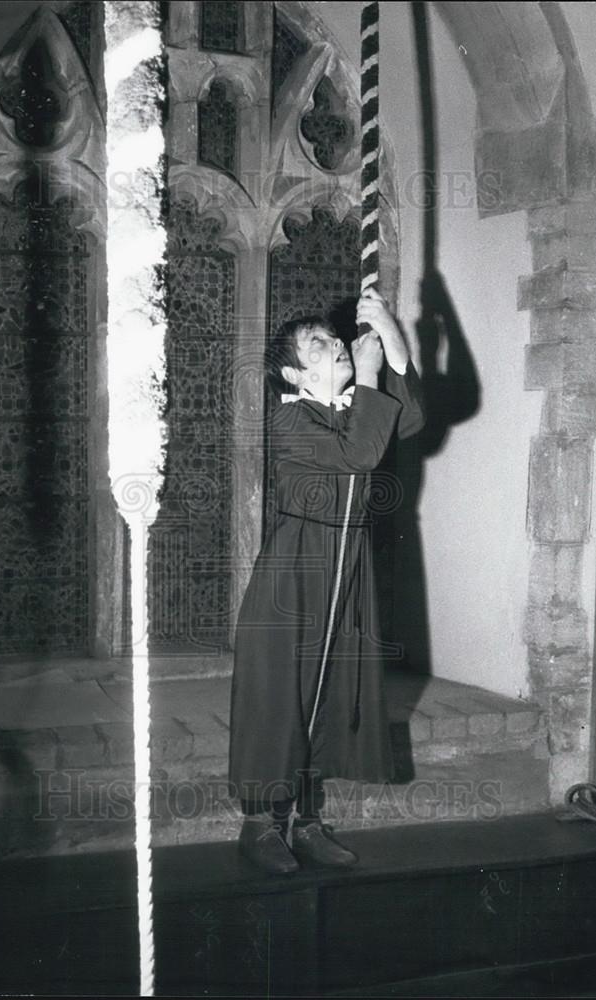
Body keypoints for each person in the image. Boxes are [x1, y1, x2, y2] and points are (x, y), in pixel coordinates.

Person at [229, 288, 425, 874]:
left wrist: (389, 332)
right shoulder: (289, 417)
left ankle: (306, 820)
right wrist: (365, 373)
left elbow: (409, 418)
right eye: (321, 344)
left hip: (350, 565)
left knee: (333, 691)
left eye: (337, 339)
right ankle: (260, 824)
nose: (338, 344)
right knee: (280, 697)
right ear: (294, 371)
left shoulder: (351, 408)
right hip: (298, 571)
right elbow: (361, 455)